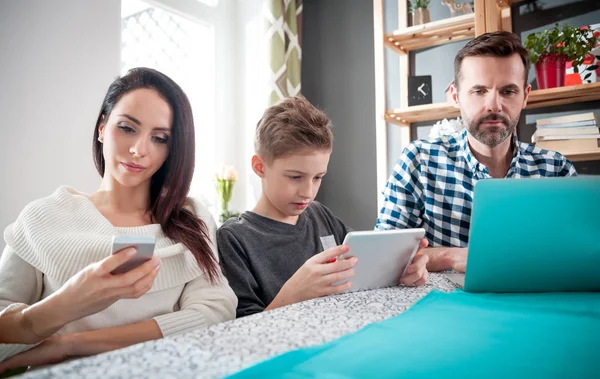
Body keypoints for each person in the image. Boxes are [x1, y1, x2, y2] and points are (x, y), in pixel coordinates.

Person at [0, 68, 237, 372]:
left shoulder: (191, 218)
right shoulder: (43, 217)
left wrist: (70, 344)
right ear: (102, 128)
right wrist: (68, 303)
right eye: (127, 127)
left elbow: (215, 312)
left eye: (160, 138)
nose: (139, 149)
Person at [375, 31, 577, 273]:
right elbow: (382, 255)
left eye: (508, 91)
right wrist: (450, 256)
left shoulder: (556, 170)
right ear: (454, 95)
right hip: (443, 307)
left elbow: (580, 254)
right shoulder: (419, 161)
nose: (494, 105)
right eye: (479, 91)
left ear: (526, 96)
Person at [217, 96, 429, 318]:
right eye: (295, 177)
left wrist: (402, 268)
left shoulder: (319, 214)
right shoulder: (234, 239)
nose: (308, 192)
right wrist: (293, 293)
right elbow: (242, 329)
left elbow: (362, 269)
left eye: (318, 177)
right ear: (260, 167)